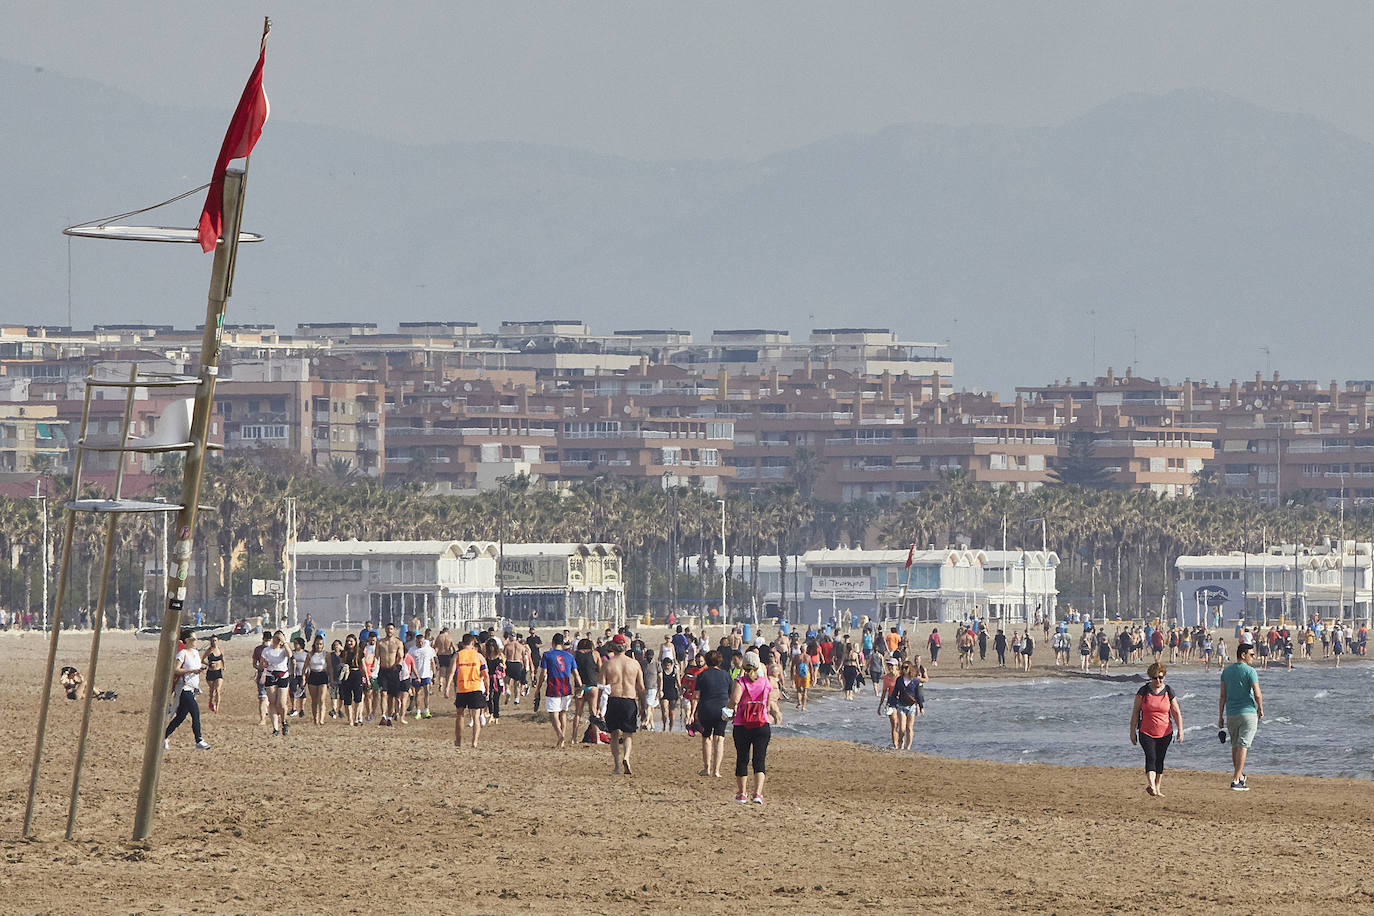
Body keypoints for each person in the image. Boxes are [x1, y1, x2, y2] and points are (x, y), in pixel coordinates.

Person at [730, 651, 778, 804]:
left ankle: (742, 793)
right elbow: (769, 703)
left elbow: (734, 700)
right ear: (758, 666)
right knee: (759, 759)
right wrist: (776, 715)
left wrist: (728, 709)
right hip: (762, 723)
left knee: (742, 758)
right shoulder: (765, 682)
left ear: (743, 666)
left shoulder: (740, 681)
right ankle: (757, 794)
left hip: (742, 724)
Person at [1130, 662, 1183, 797]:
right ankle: (1151, 785)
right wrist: (1132, 732)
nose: (1158, 680)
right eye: (1155, 678)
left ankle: (1157, 788)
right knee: (1151, 757)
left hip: (1165, 732)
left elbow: (1176, 712)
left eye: (1161, 677)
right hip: (1146, 731)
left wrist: (1180, 730)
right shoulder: (1143, 691)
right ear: (1150, 678)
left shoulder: (1169, 691)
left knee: (1160, 759)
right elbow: (1135, 712)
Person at [1218, 643, 1264, 791]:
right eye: (1251, 654)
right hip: (1248, 712)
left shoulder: (1226, 671)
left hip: (1231, 713)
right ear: (1243, 655)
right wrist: (1261, 709)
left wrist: (1220, 716)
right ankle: (1236, 779)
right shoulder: (1250, 671)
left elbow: (1222, 696)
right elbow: (1257, 693)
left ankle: (1240, 776)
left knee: (1235, 745)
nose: (1254, 657)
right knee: (1243, 746)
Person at [600, 634, 645, 775]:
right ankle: (626, 757)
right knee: (628, 734)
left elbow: (601, 686)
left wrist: (598, 708)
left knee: (613, 734)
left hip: (613, 699)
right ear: (625, 647)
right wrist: (643, 706)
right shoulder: (634, 664)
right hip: (629, 700)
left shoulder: (608, 664)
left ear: (613, 647)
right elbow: (641, 687)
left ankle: (617, 766)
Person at [164, 631, 211, 750]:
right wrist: (191, 671)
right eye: (193, 639)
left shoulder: (195, 653)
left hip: (193, 688)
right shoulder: (182, 653)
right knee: (195, 713)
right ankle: (199, 740)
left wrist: (200, 668)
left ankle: (163, 737)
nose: (196, 641)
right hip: (184, 688)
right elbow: (176, 670)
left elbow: (196, 666)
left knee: (180, 717)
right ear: (186, 640)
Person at [535, 632, 581, 749]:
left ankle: (560, 735)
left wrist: (538, 688)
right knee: (563, 713)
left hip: (553, 686)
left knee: (553, 714)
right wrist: (580, 687)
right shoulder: (569, 656)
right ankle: (562, 740)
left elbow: (543, 673)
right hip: (566, 686)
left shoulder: (547, 655)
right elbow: (575, 674)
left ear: (553, 642)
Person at [694, 650, 731, 777]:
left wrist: (694, 712)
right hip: (722, 709)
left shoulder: (702, 675)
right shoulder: (726, 675)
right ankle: (717, 770)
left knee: (706, 738)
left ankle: (707, 768)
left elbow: (696, 695)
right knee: (719, 739)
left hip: (706, 709)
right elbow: (731, 694)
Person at [450, 633, 488, 748]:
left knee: (460, 715)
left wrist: (447, 687)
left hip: (462, 688)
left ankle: (458, 740)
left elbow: (451, 673)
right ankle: (474, 742)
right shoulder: (479, 656)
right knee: (476, 717)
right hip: (475, 688)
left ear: (462, 643)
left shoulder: (457, 655)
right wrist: (487, 689)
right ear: (472, 643)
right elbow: (486, 675)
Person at [260, 630, 291, 736]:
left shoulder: (283, 650)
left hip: (283, 676)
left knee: (281, 703)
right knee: (272, 702)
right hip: (270, 675)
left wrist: (284, 642)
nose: (277, 640)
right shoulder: (266, 650)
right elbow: (261, 663)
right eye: (276, 637)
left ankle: (284, 721)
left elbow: (290, 655)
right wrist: (263, 664)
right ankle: (275, 728)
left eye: (279, 638)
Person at [375, 622, 407, 727]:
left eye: (391, 629)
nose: (389, 631)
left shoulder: (398, 643)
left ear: (394, 630)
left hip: (393, 671)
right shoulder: (380, 643)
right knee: (383, 693)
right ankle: (383, 715)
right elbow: (376, 657)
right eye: (388, 629)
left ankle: (389, 716)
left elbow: (401, 656)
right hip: (383, 670)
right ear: (385, 630)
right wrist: (373, 668)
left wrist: (398, 666)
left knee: (391, 696)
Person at [887, 660, 921, 750]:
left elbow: (918, 694)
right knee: (902, 728)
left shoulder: (915, 680)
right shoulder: (899, 680)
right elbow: (894, 693)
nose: (904, 669)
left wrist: (921, 706)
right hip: (901, 705)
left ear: (910, 668)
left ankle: (908, 747)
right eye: (903, 667)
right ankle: (900, 741)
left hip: (912, 706)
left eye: (906, 667)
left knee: (909, 728)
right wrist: (890, 703)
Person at [338, 634, 366, 726]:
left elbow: (363, 665)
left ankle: (356, 718)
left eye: (351, 641)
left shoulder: (359, 652)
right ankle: (350, 719)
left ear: (355, 642)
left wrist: (367, 678)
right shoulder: (344, 652)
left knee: (358, 699)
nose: (349, 643)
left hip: (357, 675)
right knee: (347, 700)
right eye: (347, 641)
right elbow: (340, 664)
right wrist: (343, 666)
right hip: (347, 676)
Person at [408, 634, 437, 720]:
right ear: (416, 641)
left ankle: (426, 710)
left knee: (427, 692)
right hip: (416, 675)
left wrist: (434, 674)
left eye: (422, 642)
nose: (420, 644)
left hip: (426, 674)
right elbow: (409, 662)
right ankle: (418, 711)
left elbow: (432, 662)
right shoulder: (412, 650)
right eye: (418, 642)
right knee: (417, 693)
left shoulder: (429, 649)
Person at [304, 634, 331, 725]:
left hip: (322, 675)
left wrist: (331, 678)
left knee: (322, 699)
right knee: (314, 699)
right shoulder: (310, 654)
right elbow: (305, 667)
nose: (319, 646)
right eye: (317, 644)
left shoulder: (326, 654)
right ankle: (315, 718)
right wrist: (303, 678)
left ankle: (321, 719)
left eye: (320, 644)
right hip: (313, 675)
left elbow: (330, 667)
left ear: (323, 644)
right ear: (314, 644)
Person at [203, 634, 225, 713]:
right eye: (212, 641)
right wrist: (208, 664)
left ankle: (217, 708)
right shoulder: (209, 651)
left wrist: (224, 666)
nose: (214, 642)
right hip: (210, 672)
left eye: (215, 640)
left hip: (218, 672)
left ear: (218, 641)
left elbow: (222, 659)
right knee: (212, 690)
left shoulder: (220, 650)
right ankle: (210, 703)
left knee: (218, 690)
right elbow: (202, 660)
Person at [433, 628, 456, 698]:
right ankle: (447, 688)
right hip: (448, 655)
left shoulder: (439, 637)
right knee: (449, 673)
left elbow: (435, 647)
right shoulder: (449, 637)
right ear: (447, 631)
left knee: (442, 672)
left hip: (440, 655)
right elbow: (454, 647)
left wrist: (435, 657)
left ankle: (440, 683)